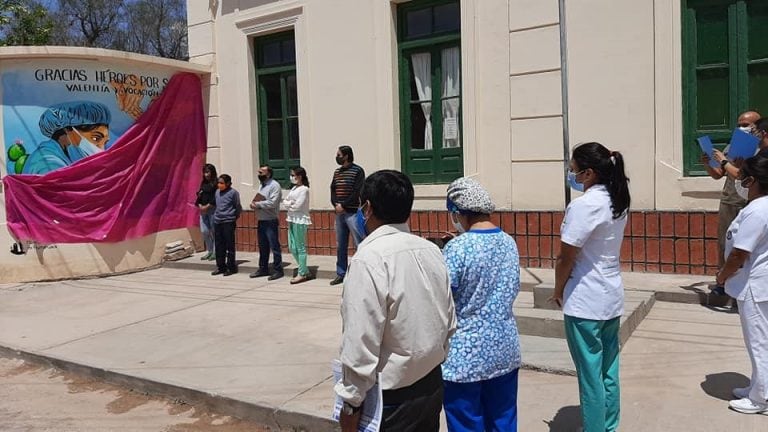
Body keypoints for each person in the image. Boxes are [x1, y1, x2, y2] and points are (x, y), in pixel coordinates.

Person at [335, 170, 456, 432]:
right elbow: (449, 319)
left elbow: (360, 341)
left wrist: (350, 404)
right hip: (430, 387)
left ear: (366, 208)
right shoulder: (432, 250)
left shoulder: (368, 259)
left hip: (390, 401)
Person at [551, 142, 631, 432]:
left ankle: (595, 428)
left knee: (589, 374)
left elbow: (566, 256)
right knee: (609, 368)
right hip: (609, 294)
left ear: (587, 174)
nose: (570, 175)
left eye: (573, 170)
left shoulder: (584, 205)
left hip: (585, 299)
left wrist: (558, 290)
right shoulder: (617, 200)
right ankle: (608, 425)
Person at [441, 177, 521, 431]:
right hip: (504, 348)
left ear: (457, 212)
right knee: (503, 418)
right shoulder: (509, 242)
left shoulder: (457, 248)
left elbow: (444, 297)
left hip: (465, 355)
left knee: (466, 422)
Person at [715, 152, 768, 414]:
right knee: (763, 340)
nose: (741, 183)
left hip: (754, 285)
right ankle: (759, 386)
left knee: (759, 341)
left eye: (744, 178)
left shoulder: (758, 210)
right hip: (759, 283)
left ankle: (761, 399)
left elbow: (739, 253)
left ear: (754, 180)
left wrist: (722, 275)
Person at [703, 110, 761, 296]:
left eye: (746, 124)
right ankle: (722, 282)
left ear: (757, 127)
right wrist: (708, 163)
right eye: (739, 124)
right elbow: (718, 174)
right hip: (730, 199)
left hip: (750, 201)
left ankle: (744, 280)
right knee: (724, 241)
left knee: (747, 244)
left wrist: (726, 161)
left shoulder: (761, 150)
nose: (741, 128)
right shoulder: (732, 145)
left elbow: (740, 174)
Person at [23, 101, 112, 175]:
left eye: (105, 143)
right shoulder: (46, 164)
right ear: (69, 131)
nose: (102, 150)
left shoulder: (68, 157)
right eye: (96, 139)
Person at [329, 145, 365, 286]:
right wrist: (335, 205)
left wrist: (343, 205)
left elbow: (358, 191)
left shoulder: (357, 171)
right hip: (339, 214)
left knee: (359, 243)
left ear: (346, 156)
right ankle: (341, 273)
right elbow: (332, 189)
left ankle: (361, 273)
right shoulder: (337, 172)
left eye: (339, 154)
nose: (337, 157)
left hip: (352, 213)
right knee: (340, 245)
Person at [249, 165, 284, 281]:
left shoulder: (274, 186)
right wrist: (254, 204)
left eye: (261, 172)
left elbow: (273, 203)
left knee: (274, 246)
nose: (259, 174)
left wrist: (257, 205)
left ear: (268, 174)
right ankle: (263, 268)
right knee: (263, 246)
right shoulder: (262, 186)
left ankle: (278, 269)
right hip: (261, 220)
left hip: (270, 220)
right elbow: (260, 199)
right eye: (258, 172)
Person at [283, 166, 312, 284]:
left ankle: (302, 273)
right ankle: (305, 269)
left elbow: (298, 206)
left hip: (300, 220)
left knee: (300, 247)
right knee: (292, 246)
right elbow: (285, 201)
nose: (291, 177)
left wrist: (289, 204)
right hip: (291, 219)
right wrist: (289, 203)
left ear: (299, 176)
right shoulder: (294, 188)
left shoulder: (304, 189)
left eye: (293, 175)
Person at [212, 174, 242, 277]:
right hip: (218, 221)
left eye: (222, 183)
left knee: (229, 245)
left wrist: (233, 217)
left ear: (228, 183)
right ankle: (221, 266)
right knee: (219, 245)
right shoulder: (217, 192)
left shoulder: (233, 193)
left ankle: (231, 267)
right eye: (218, 183)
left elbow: (237, 206)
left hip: (228, 221)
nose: (219, 185)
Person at [196, 164, 218, 261]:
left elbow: (216, 197)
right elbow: (200, 195)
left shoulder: (216, 184)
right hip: (203, 210)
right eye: (205, 172)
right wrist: (200, 205)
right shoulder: (203, 184)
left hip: (212, 209)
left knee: (214, 230)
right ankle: (209, 250)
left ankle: (215, 251)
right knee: (204, 231)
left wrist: (208, 206)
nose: (206, 174)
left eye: (208, 172)